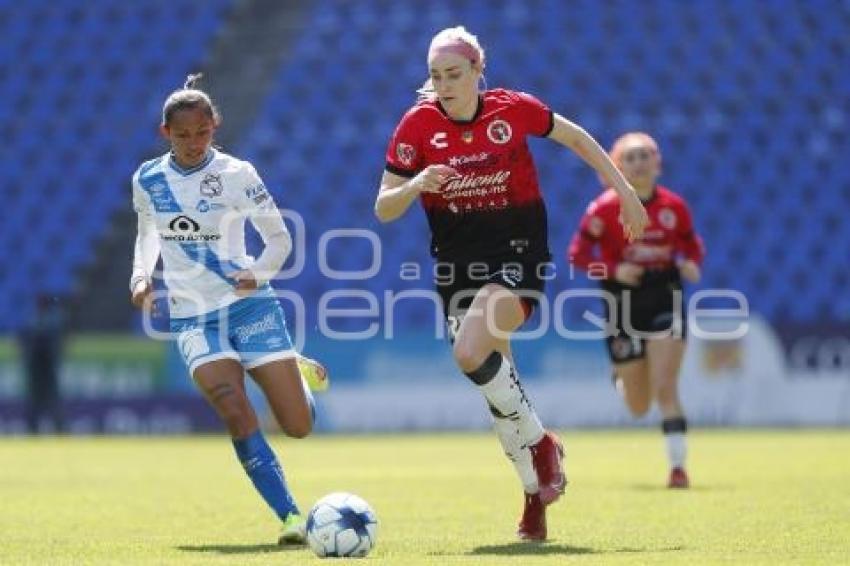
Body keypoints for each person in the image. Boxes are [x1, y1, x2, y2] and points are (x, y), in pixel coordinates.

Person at [375, 27, 649, 540]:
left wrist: (626, 193)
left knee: (467, 351)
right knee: (498, 393)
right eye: (436, 76)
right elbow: (383, 207)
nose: (445, 84)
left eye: (454, 74)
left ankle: (543, 445)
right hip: (456, 267)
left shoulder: (512, 109)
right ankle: (533, 499)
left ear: (479, 71)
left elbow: (578, 139)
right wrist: (414, 185)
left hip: (517, 258)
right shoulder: (416, 126)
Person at [129, 74, 327, 545]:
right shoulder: (148, 178)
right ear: (165, 134)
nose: (194, 143)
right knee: (233, 408)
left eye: (202, 132)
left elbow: (280, 240)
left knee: (298, 426)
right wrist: (140, 275)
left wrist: (256, 273)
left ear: (214, 126)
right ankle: (290, 517)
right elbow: (148, 234)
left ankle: (293, 373)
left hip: (248, 304)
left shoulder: (239, 175)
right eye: (182, 135)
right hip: (193, 314)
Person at [569, 132, 704, 488]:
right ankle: (621, 377)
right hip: (622, 302)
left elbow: (692, 246)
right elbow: (578, 257)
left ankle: (678, 468)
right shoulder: (602, 210)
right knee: (638, 406)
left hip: (664, 296)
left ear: (658, 163)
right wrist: (614, 271)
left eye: (646, 155)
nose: (639, 162)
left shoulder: (674, 207)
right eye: (630, 157)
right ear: (616, 166)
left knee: (665, 387)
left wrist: (690, 262)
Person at [18, 294, 66, 434]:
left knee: (50, 399)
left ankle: (58, 428)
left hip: (46, 365)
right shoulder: (37, 318)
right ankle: (34, 428)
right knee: (37, 400)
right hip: (36, 366)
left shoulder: (51, 319)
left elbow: (55, 342)